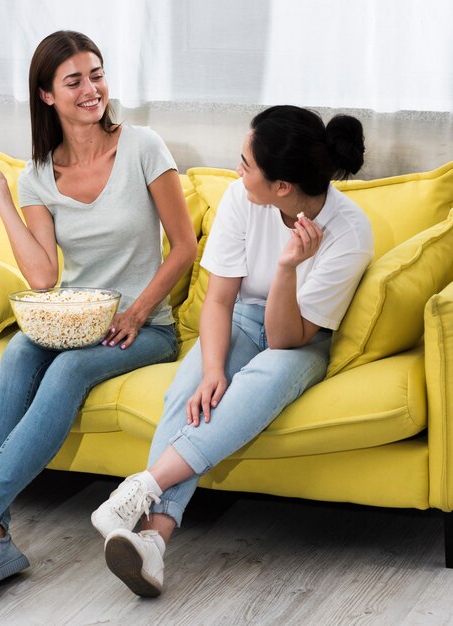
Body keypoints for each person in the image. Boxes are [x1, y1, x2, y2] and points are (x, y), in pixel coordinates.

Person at [0, 30, 197, 596]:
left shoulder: (143, 146)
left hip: (147, 329)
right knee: (21, 349)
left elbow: (185, 247)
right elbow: (44, 278)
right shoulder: (38, 175)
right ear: (47, 95)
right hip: (75, 320)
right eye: (74, 81)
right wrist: (0, 192)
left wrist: (141, 310)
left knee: (68, 371)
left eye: (96, 74)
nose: (91, 89)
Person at [91, 105, 374, 597]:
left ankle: (142, 486)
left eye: (246, 162)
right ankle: (154, 544)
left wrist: (287, 267)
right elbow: (220, 298)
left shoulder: (350, 232)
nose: (237, 169)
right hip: (241, 317)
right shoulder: (241, 198)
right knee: (188, 394)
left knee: (258, 387)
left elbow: (287, 338)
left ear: (282, 186)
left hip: (302, 338)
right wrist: (212, 369)